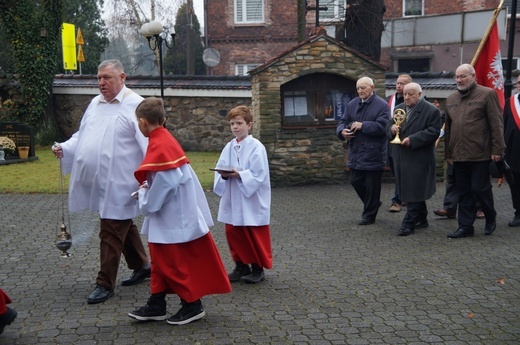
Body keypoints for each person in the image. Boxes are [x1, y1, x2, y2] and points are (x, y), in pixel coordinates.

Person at [52, 59, 151, 304]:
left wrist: (151, 177)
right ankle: (142, 265)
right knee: (121, 224)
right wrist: (65, 148)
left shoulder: (137, 105)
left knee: (110, 228)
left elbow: (150, 144)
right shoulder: (95, 103)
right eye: (98, 78)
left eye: (106, 77)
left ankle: (104, 282)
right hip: (99, 180)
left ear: (122, 77)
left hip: (123, 182)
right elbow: (82, 135)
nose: (101, 83)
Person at [127, 97, 231, 325]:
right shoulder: (163, 139)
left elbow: (167, 180)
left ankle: (192, 306)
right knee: (161, 264)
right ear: (163, 119)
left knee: (172, 265)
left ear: (143, 122)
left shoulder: (159, 143)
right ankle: (157, 304)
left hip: (173, 219)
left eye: (138, 123)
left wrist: (145, 198)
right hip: (172, 216)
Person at [444, 63, 505, 238]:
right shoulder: (451, 99)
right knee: (463, 191)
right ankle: (465, 226)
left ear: (473, 76)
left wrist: (498, 149)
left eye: (463, 76)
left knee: (479, 188)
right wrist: (449, 153)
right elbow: (449, 128)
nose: (459, 80)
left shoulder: (487, 94)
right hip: (459, 155)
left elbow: (496, 124)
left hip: (480, 153)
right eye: (457, 76)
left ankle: (490, 215)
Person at [213, 105, 273, 284]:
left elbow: (258, 174)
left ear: (249, 125)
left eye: (239, 123)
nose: (235, 127)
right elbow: (221, 166)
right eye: (232, 123)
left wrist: (239, 174)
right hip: (233, 196)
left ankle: (257, 267)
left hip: (250, 198)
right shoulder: (229, 146)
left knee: (251, 232)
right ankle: (240, 265)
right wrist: (223, 174)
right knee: (233, 231)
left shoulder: (256, 147)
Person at [386, 83, 441, 236]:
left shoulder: (431, 110)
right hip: (401, 156)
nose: (407, 97)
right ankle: (422, 218)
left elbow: (433, 132)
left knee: (415, 188)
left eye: (411, 94)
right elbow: (389, 124)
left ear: (419, 94)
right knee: (410, 187)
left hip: (419, 156)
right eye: (405, 94)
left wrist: (413, 139)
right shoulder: (400, 108)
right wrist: (391, 130)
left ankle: (408, 223)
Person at [336, 76, 390, 225]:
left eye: (363, 88)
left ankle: (369, 216)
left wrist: (363, 125)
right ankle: (372, 203)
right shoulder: (353, 104)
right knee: (355, 181)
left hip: (374, 153)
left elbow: (383, 128)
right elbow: (343, 121)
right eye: (358, 88)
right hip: (356, 153)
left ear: (372, 88)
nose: (360, 91)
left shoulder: (382, 106)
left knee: (373, 186)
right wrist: (342, 132)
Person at [433, 99, 484, 220]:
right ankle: (449, 208)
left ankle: (479, 208)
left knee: (474, 182)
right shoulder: (451, 106)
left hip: (472, 150)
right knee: (452, 179)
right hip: (454, 150)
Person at [387, 74, 412, 212]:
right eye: (397, 83)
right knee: (396, 173)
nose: (398, 86)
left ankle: (397, 200)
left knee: (405, 172)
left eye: (402, 84)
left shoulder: (416, 101)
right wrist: (390, 129)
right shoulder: (390, 101)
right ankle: (403, 196)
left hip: (408, 144)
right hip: (392, 144)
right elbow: (386, 121)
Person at [503, 75, 520, 227]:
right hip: (514, 152)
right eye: (519, 82)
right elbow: (505, 125)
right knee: (515, 185)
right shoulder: (510, 102)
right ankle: (518, 213)